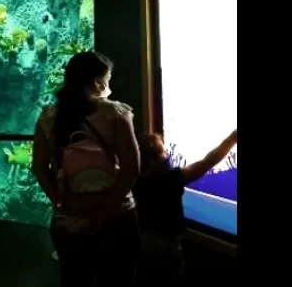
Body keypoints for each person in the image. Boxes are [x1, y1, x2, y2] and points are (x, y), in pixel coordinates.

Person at [31, 51, 141, 287]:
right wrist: (103, 211)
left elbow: (39, 168)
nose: (108, 84)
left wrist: (61, 204)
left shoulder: (48, 118)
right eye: (108, 78)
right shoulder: (116, 113)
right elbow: (131, 169)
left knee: (74, 280)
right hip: (116, 218)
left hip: (69, 220)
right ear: (97, 82)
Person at [134, 129, 237, 287]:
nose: (167, 155)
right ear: (153, 160)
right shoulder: (168, 179)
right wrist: (232, 139)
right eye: (163, 152)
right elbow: (206, 163)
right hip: (166, 246)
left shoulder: (133, 180)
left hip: (141, 241)